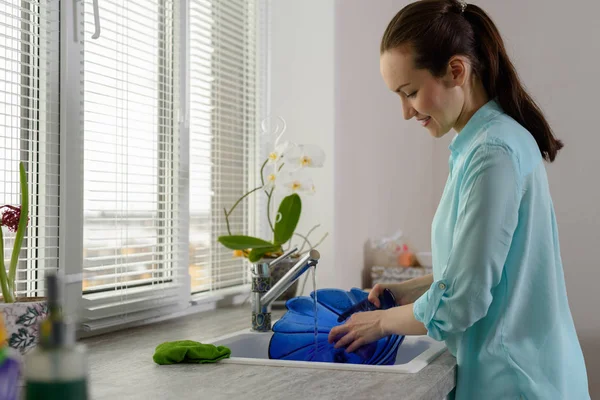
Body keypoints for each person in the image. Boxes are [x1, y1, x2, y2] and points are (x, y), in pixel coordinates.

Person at [327, 1, 591, 399]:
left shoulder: (492, 152)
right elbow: (486, 272)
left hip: (514, 381)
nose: (405, 111)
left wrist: (381, 323)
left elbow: (463, 300)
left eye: (410, 92)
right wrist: (408, 291)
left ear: (456, 71)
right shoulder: (480, 145)